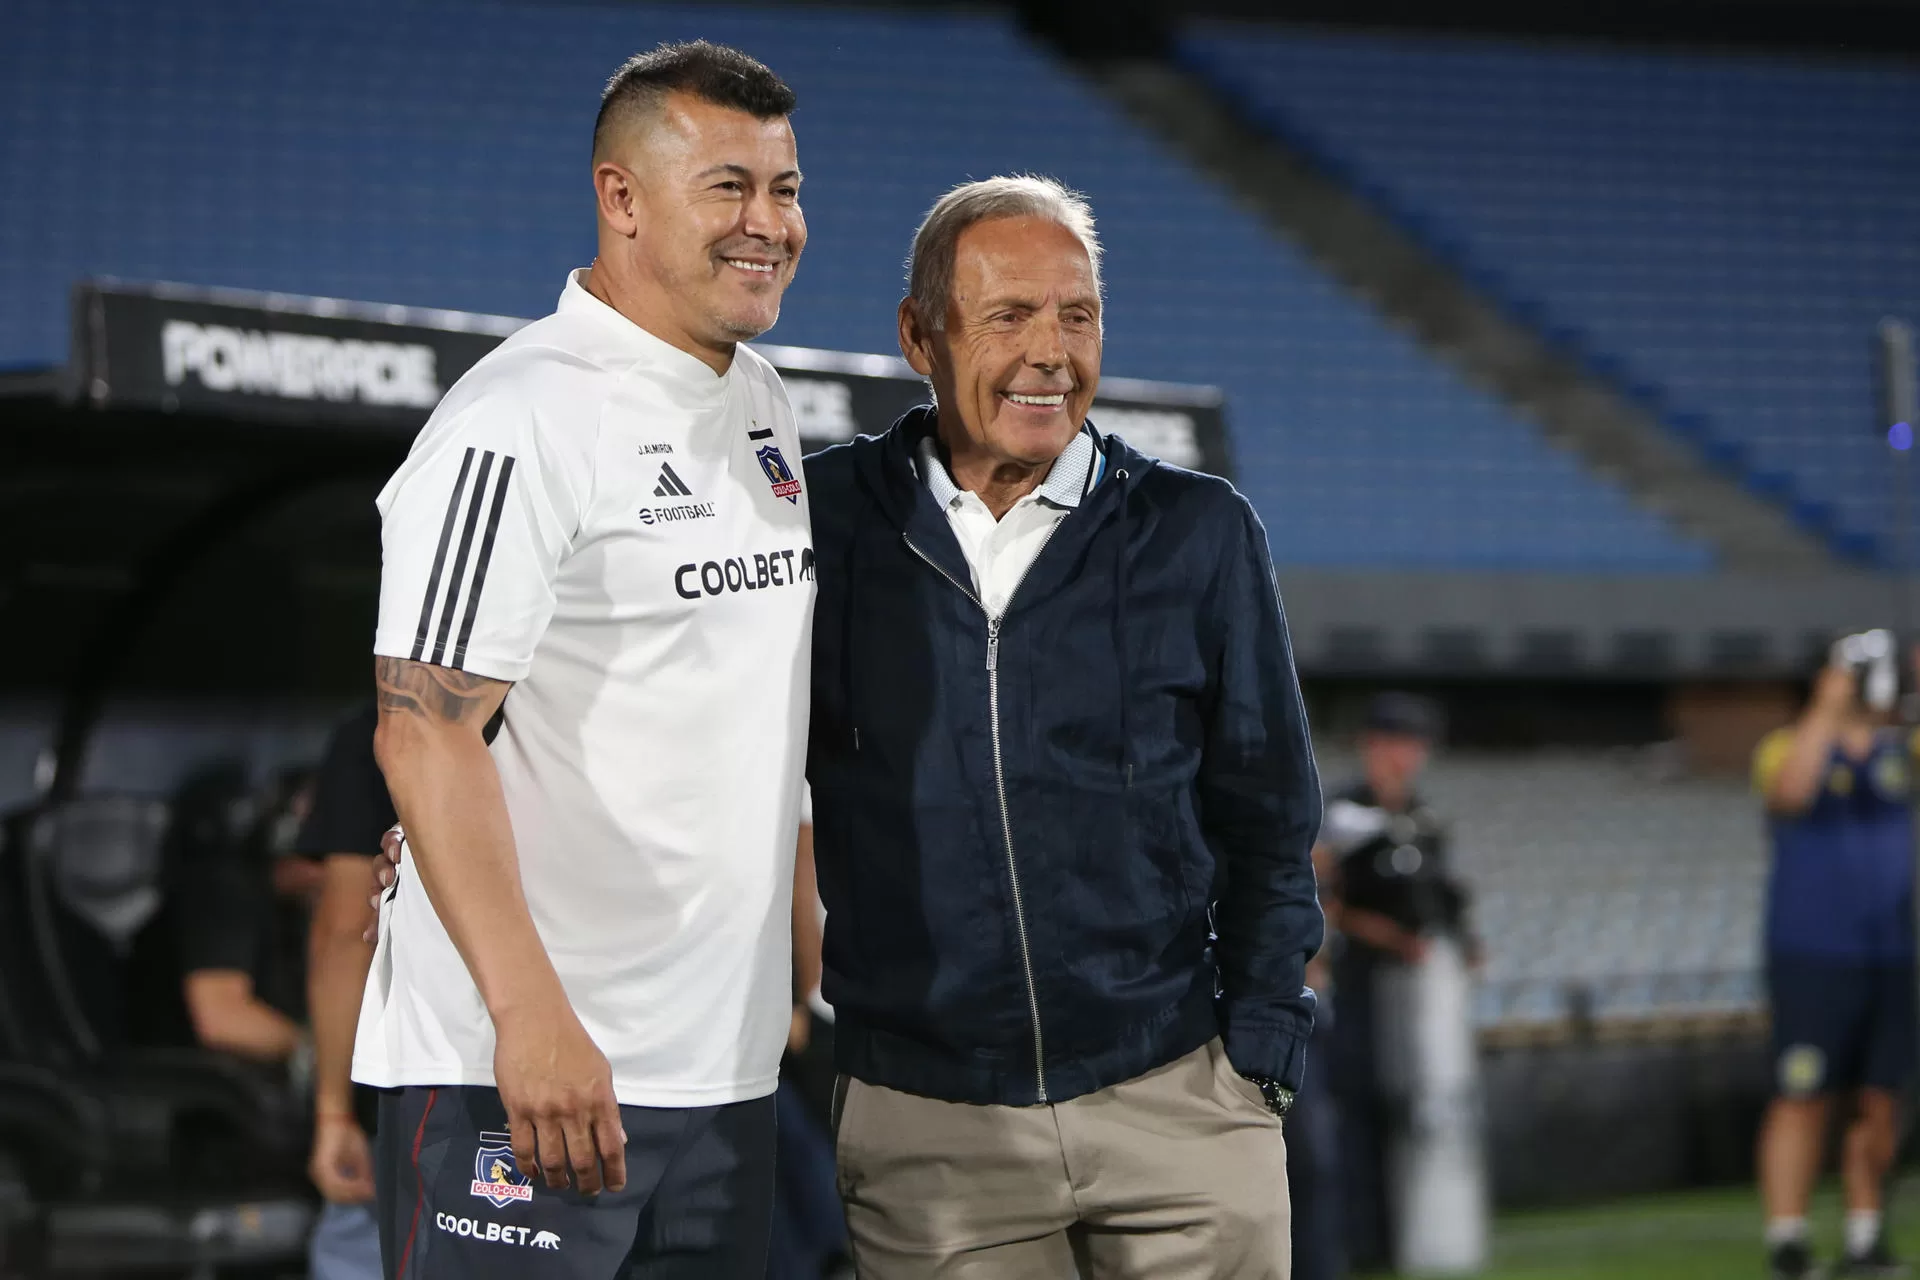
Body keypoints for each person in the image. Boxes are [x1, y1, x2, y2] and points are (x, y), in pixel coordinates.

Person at [804, 175, 1323, 1278]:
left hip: (1179, 1099)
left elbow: (1269, 809)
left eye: (1076, 314)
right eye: (1008, 316)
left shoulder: (1201, 530)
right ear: (918, 335)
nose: (1052, 351)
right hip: (928, 1129)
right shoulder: (816, 523)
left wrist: (1261, 1048)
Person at [357, 40, 812, 1279]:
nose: (768, 223)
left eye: (785, 188)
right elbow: (423, 727)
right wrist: (531, 1018)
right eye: (729, 186)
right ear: (621, 198)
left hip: (714, 1077)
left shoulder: (763, 401)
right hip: (531, 1070)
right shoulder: (521, 417)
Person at [1755, 647, 1916, 1280]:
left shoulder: (1901, 751)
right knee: (1802, 1094)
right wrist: (1827, 705)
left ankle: (1864, 1234)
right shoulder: (1783, 745)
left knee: (1881, 1100)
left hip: (1894, 950)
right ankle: (1788, 1240)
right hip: (1811, 949)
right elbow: (1790, 792)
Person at [1315, 692, 1470, 1275]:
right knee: (1357, 1102)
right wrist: (1381, 934)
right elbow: (1323, 897)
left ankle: (1412, 1229)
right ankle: (1361, 1236)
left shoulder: (1421, 817)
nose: (1408, 756)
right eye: (1398, 742)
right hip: (1358, 978)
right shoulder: (1342, 814)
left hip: (1418, 988)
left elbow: (1444, 896)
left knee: (1411, 1106)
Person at [297, 704, 392, 1280]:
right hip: (608, 1082)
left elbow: (346, 934)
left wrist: (334, 1112)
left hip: (420, 1085)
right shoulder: (604, 717)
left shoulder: (382, 729)